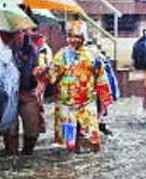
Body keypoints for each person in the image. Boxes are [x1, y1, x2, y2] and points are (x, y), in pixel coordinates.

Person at [43, 20, 113, 153]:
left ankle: (95, 162)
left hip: (87, 101)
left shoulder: (93, 55)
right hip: (66, 103)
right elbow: (52, 76)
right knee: (70, 140)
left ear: (84, 38)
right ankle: (73, 161)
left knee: (93, 135)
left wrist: (104, 100)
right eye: (70, 36)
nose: (73, 40)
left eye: (77, 36)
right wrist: (45, 72)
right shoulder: (62, 55)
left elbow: (101, 78)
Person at [4, 28, 45, 155]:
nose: (18, 36)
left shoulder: (33, 49)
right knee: (10, 129)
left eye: (21, 32)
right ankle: (12, 155)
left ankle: (27, 154)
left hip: (27, 90)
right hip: (8, 92)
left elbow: (41, 70)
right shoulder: (2, 47)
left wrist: (39, 76)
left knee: (32, 126)